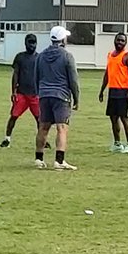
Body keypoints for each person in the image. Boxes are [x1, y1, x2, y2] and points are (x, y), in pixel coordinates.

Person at [35, 26, 79, 170]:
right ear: (62, 39)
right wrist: (76, 98)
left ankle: (39, 158)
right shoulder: (67, 56)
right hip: (61, 95)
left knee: (43, 127)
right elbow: (73, 80)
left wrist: (39, 93)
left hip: (44, 94)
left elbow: (36, 76)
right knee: (62, 127)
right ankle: (59, 160)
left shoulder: (41, 56)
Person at [98, 31, 128, 153]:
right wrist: (102, 90)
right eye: (118, 40)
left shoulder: (127, 56)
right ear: (114, 40)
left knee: (125, 119)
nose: (120, 42)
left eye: (122, 41)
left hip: (123, 91)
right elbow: (107, 73)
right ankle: (117, 143)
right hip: (112, 91)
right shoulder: (110, 55)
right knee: (113, 118)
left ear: (125, 43)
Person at [0, 33, 40, 147]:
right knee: (14, 116)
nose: (32, 45)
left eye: (34, 43)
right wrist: (13, 91)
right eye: (30, 43)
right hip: (21, 93)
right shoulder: (20, 57)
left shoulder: (39, 58)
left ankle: (43, 139)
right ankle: (7, 139)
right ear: (25, 43)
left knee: (40, 119)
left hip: (35, 94)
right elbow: (15, 74)